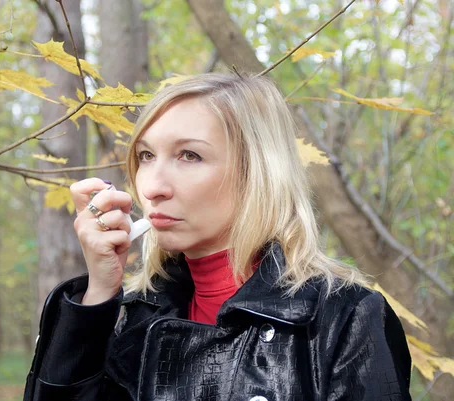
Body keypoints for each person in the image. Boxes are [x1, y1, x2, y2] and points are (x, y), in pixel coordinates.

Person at [23, 73, 412, 401]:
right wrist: (98, 297)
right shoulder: (131, 317)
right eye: (145, 156)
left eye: (189, 155)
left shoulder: (342, 318)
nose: (153, 186)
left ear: (257, 172)